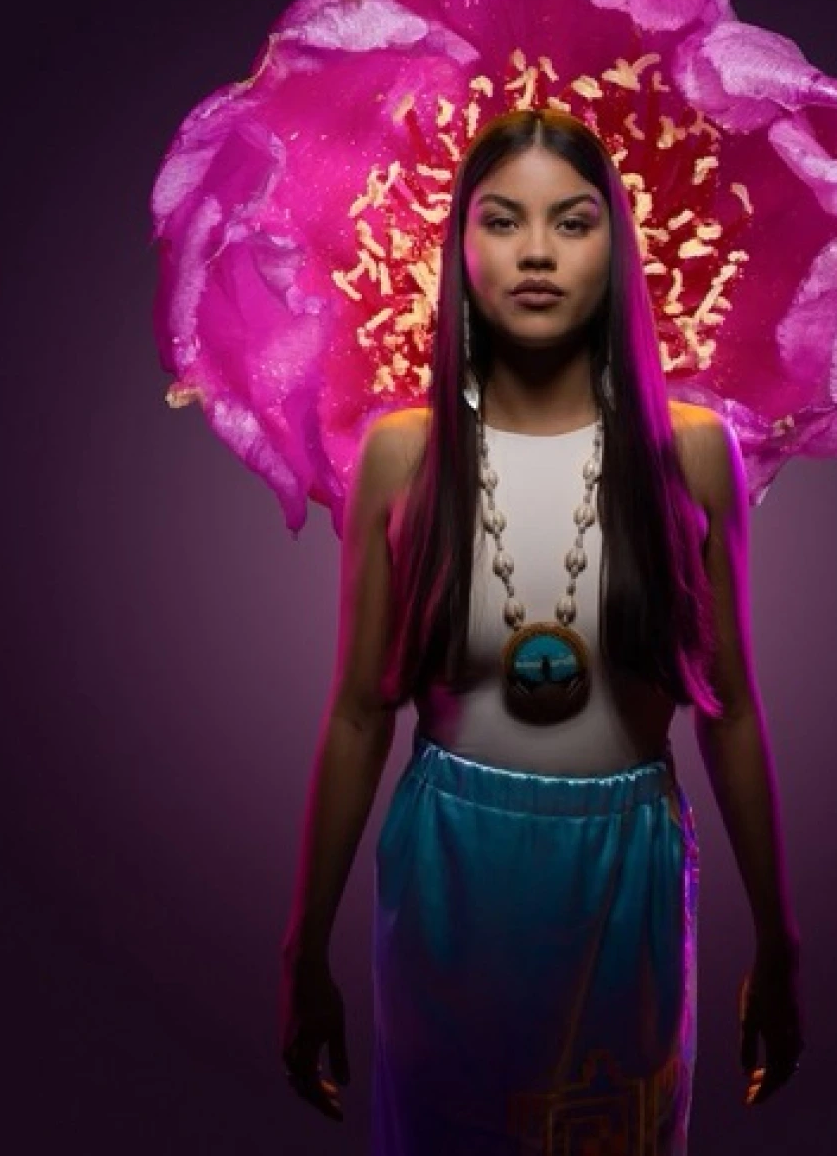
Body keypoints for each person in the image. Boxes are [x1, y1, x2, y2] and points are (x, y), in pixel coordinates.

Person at [278, 106, 804, 1154]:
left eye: (571, 222)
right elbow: (354, 716)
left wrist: (781, 940)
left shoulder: (693, 453)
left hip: (629, 855)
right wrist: (302, 950)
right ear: (460, 244)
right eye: (501, 220)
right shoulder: (402, 455)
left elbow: (732, 711)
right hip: (452, 857)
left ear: (617, 242)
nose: (534, 252)